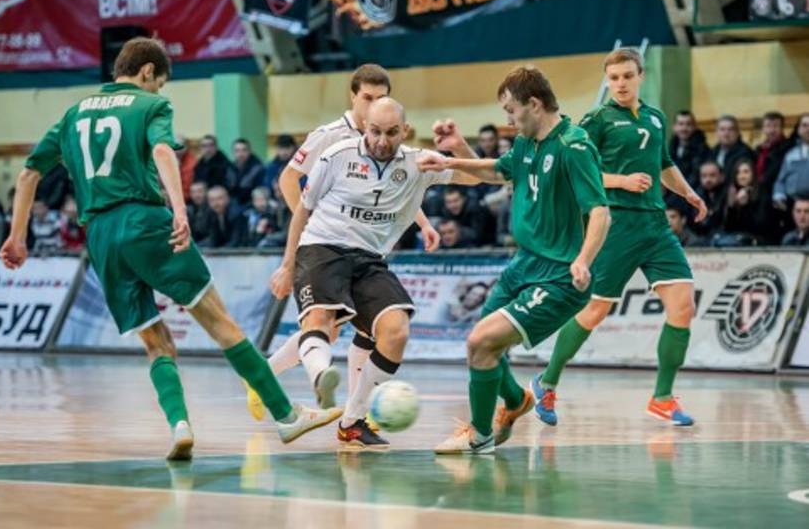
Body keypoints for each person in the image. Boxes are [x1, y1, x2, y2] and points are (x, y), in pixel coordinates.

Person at [0, 37, 339, 461]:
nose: (158, 90)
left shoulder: (73, 115)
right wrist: (180, 209)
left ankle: (180, 425)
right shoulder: (150, 105)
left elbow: (28, 174)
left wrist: (17, 236)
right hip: (145, 222)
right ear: (147, 72)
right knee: (221, 324)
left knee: (156, 343)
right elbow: (162, 149)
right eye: (158, 82)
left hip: (100, 238)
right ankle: (286, 416)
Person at [269, 97, 481, 448]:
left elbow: (476, 177)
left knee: (396, 331)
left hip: (369, 259)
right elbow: (303, 211)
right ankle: (322, 377)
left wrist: (458, 147)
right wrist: (288, 264)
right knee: (321, 318)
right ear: (365, 126)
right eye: (375, 132)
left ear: (405, 131)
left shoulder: (418, 162)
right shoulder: (336, 155)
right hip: (322, 246)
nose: (382, 141)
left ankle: (352, 421)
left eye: (391, 133)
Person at [423, 66, 611, 453]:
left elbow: (600, 212)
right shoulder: (526, 142)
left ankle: (480, 436)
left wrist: (583, 260)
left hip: (558, 276)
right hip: (523, 264)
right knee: (481, 347)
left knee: (481, 341)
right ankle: (516, 401)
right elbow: (496, 172)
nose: (508, 120)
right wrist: (454, 156)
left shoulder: (573, 146)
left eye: (511, 111)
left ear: (535, 104)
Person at [247, 64, 441, 420]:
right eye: (367, 97)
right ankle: (269, 378)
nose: (373, 104)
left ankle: (354, 415)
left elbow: (393, 189)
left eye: (381, 97)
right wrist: (309, 228)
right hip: (326, 243)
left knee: (368, 331)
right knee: (327, 328)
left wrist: (424, 223)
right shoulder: (331, 136)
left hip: (368, 246)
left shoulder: (386, 137)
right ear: (353, 96)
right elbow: (288, 179)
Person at [535, 49, 707, 428]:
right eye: (614, 78)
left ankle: (662, 398)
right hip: (615, 224)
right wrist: (621, 181)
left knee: (683, 306)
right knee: (594, 311)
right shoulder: (597, 119)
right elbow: (573, 168)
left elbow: (663, 164)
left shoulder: (655, 116)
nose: (621, 83)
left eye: (628, 76)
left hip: (656, 226)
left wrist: (688, 193)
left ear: (640, 75)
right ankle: (547, 382)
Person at [723, 159, 772, 245]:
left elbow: (760, 226)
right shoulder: (732, 192)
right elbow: (728, 228)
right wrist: (731, 207)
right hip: (736, 236)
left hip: (758, 238)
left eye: (746, 172)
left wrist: (745, 206)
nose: (741, 176)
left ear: (753, 174)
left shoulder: (762, 193)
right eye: (738, 173)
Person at [773, 113, 809, 210]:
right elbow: (780, 180)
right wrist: (778, 196)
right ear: (798, 129)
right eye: (804, 125)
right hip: (793, 206)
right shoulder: (790, 155)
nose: (808, 129)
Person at [669, 110, 709, 189]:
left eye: (688, 124)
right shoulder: (671, 148)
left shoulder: (702, 150)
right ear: (674, 127)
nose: (684, 128)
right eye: (681, 124)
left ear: (694, 127)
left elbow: (696, 177)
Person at [707, 115, 754, 180]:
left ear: (737, 132)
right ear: (717, 132)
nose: (726, 134)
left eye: (730, 129)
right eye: (722, 129)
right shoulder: (713, 151)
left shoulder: (745, 153)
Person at [231, 138, 266, 205]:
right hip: (235, 202)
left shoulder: (258, 168)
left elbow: (260, 190)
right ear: (233, 152)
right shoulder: (231, 167)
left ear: (249, 151)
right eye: (237, 151)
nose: (240, 154)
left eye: (244, 150)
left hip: (253, 203)